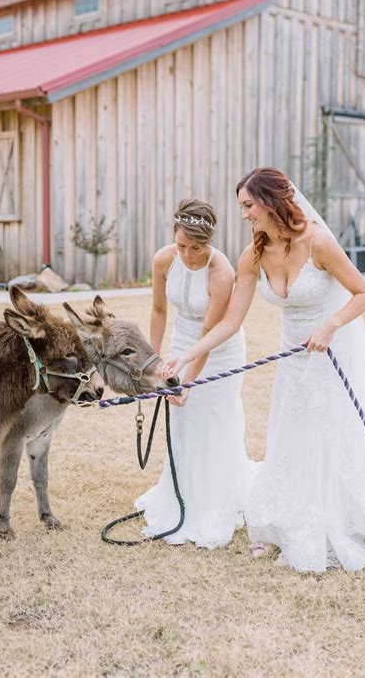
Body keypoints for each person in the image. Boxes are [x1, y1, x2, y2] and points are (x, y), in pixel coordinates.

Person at [162, 169, 365, 573]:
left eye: (248, 205)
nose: (243, 214)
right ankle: (285, 521)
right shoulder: (254, 255)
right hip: (290, 358)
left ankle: (321, 520)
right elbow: (229, 322)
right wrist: (188, 355)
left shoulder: (317, 241)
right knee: (290, 435)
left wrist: (330, 325)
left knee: (322, 437)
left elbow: (364, 293)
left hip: (328, 354)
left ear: (270, 201)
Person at [135, 198, 253, 549]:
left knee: (212, 418)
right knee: (184, 422)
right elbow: (157, 311)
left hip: (217, 351)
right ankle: (181, 492)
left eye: (196, 247)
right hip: (182, 342)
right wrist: (154, 362)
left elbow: (209, 334)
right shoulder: (164, 259)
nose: (187, 254)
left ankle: (215, 499)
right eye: (182, 245)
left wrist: (188, 381)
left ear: (210, 240)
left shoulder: (222, 273)